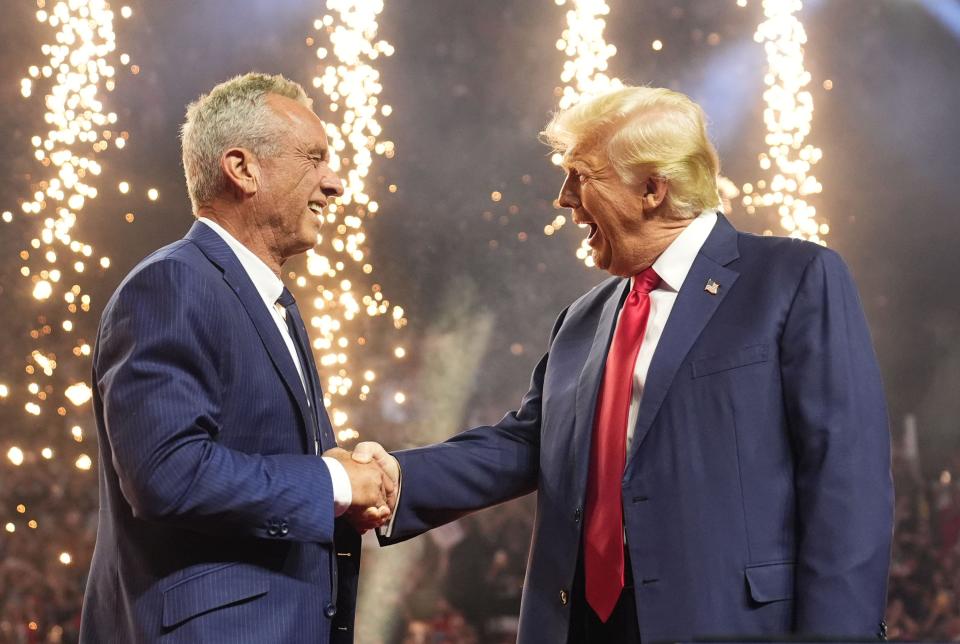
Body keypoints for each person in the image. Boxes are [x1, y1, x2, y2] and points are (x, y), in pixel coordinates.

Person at [354, 86, 894, 643]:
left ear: (652, 189)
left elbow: (847, 482)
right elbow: (525, 445)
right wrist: (394, 478)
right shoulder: (584, 318)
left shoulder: (793, 278)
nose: (564, 199)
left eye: (580, 176)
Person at [79, 73, 393, 644]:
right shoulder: (173, 283)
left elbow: (284, 464)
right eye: (314, 158)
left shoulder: (273, 303)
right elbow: (166, 474)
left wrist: (348, 469)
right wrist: (335, 482)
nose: (334, 183)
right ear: (243, 168)